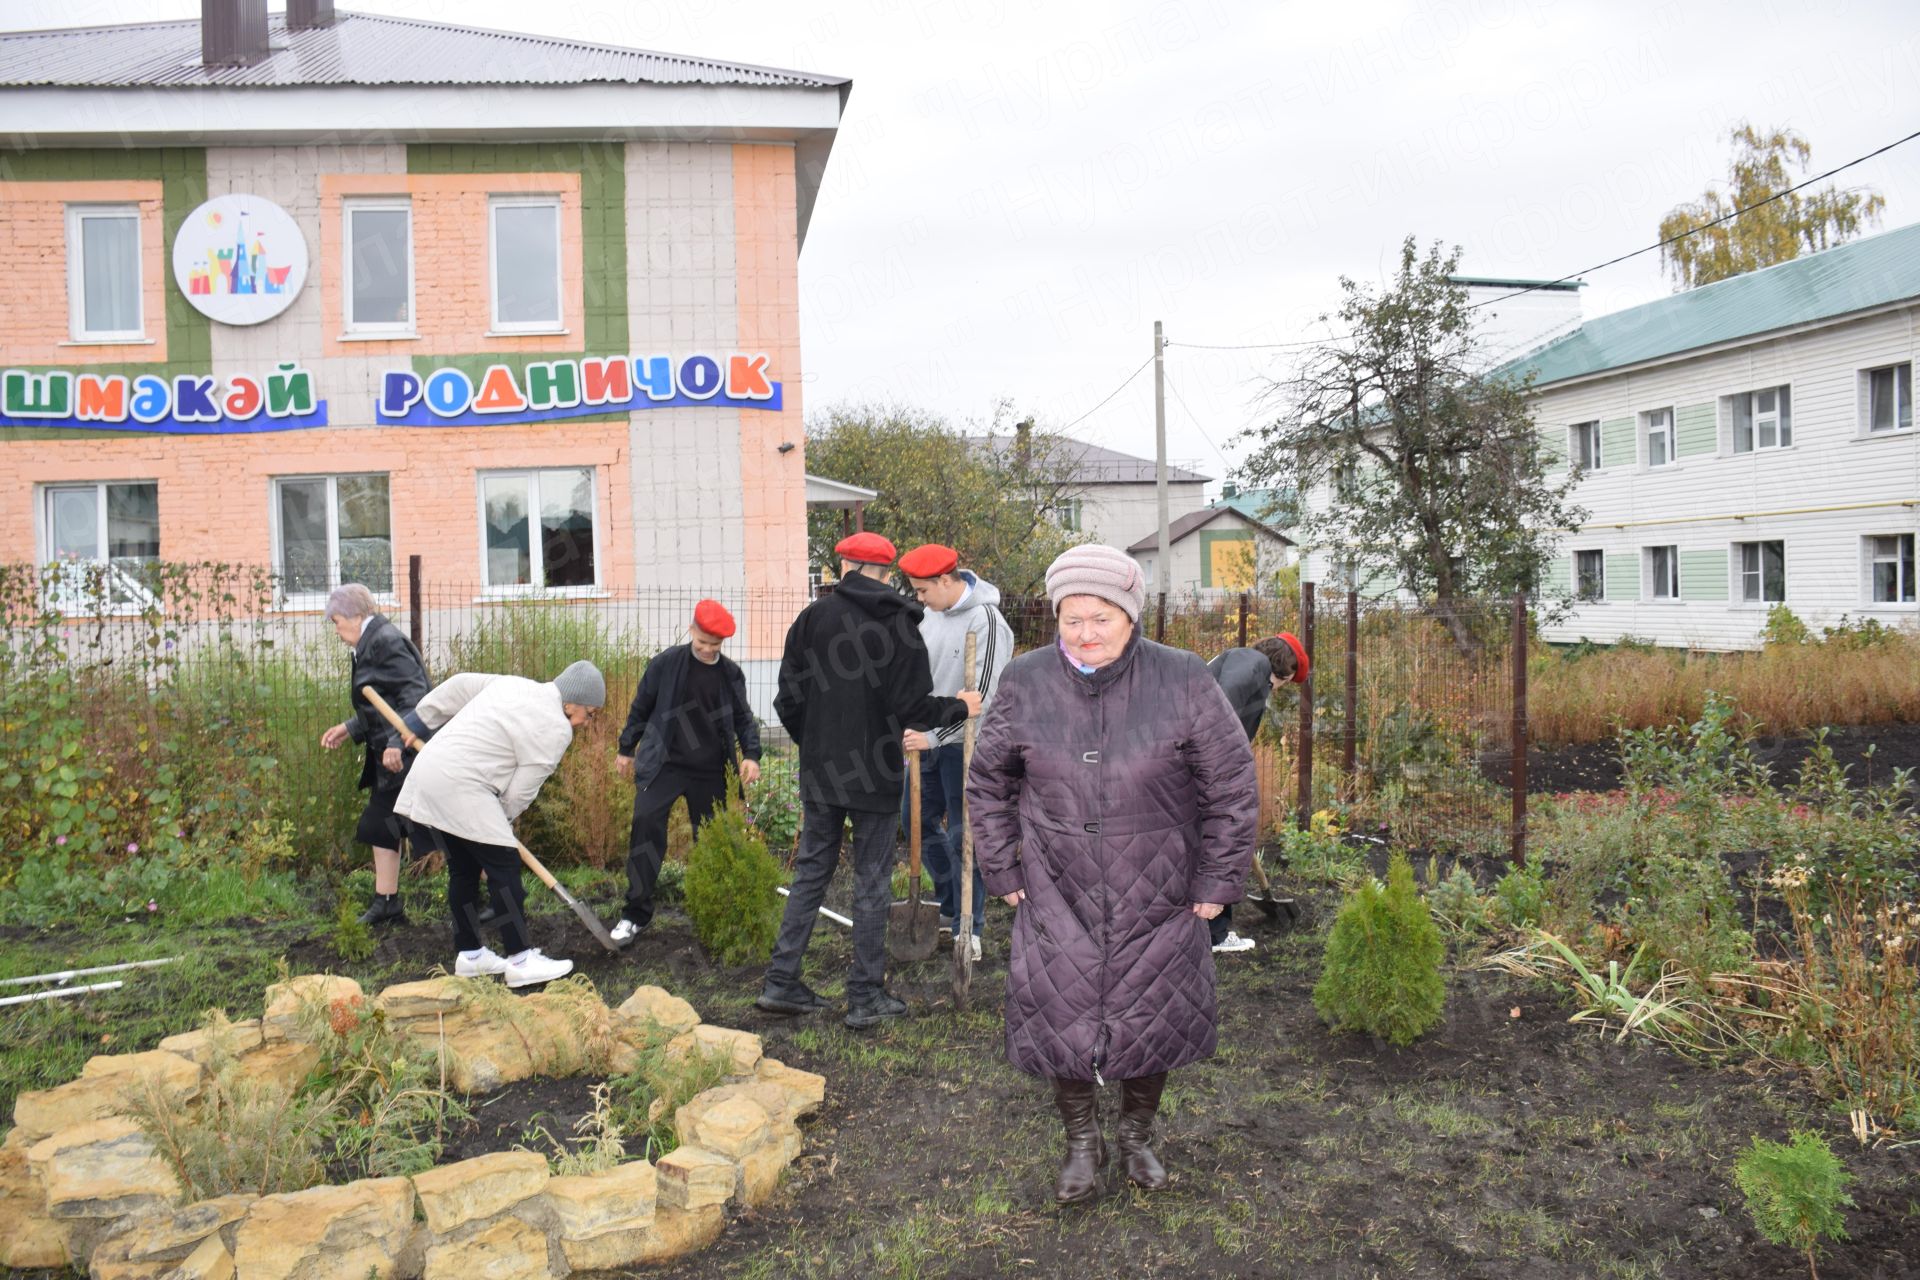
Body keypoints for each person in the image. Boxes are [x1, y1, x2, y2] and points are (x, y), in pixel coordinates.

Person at [968, 544, 1257, 1203]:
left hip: (1158, 887)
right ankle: (1080, 1141)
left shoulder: (1182, 679)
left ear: (1131, 617)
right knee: (1060, 1014)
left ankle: (1134, 1135)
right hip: (1055, 885)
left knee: (1151, 1014)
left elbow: (1232, 790)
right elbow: (988, 783)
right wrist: (1002, 862)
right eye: (1072, 619)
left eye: (1100, 617)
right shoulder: (1024, 680)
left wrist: (1218, 881)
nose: (1085, 633)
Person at [758, 532, 982, 1029]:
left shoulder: (812, 619)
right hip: (875, 775)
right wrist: (961, 707)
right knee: (872, 879)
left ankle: (781, 981)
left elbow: (786, 701)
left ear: (843, 568)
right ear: (886, 573)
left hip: (821, 774)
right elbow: (916, 708)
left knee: (812, 870)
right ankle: (864, 994)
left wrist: (814, 746)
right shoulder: (901, 623)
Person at [394, 660, 606, 988]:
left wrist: (419, 720)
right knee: (504, 865)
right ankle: (520, 961)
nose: (587, 723)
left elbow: (458, 686)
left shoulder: (514, 684)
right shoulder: (556, 727)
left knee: (463, 869)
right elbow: (521, 791)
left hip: (430, 771)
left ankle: (471, 955)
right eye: (588, 714)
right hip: (463, 785)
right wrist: (499, 823)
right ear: (569, 704)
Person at [612, 600, 762, 945]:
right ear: (692, 630)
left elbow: (742, 717)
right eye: (703, 643)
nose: (708, 650)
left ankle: (713, 913)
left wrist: (751, 754)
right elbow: (641, 707)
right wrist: (625, 747)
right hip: (664, 764)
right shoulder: (665, 664)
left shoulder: (729, 674)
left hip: (709, 770)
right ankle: (635, 914)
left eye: (715, 645)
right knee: (646, 826)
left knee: (711, 841)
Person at [897, 543, 1013, 963]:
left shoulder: (987, 622)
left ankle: (971, 926)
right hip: (923, 739)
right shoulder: (929, 616)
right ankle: (949, 907)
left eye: (923, 590)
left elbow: (982, 699)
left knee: (964, 833)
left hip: (966, 745)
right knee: (916, 824)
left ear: (946, 581)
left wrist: (935, 737)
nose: (919, 599)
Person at [318, 583, 431, 927]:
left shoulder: (385, 642)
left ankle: (498, 894)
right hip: (392, 755)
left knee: (445, 828)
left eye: (337, 622)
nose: (337, 631)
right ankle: (387, 903)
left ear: (355, 616)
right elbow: (381, 698)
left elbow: (415, 697)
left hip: (408, 755)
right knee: (381, 825)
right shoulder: (371, 642)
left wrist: (398, 741)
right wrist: (351, 728)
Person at [1202, 631, 1309, 954]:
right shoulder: (1253, 662)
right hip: (1209, 769)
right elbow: (1219, 707)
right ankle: (1217, 936)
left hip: (1202, 766)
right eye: (1287, 681)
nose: (1281, 688)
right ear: (1285, 668)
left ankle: (1206, 931)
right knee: (1225, 845)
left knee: (1205, 847)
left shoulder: (1240, 663)